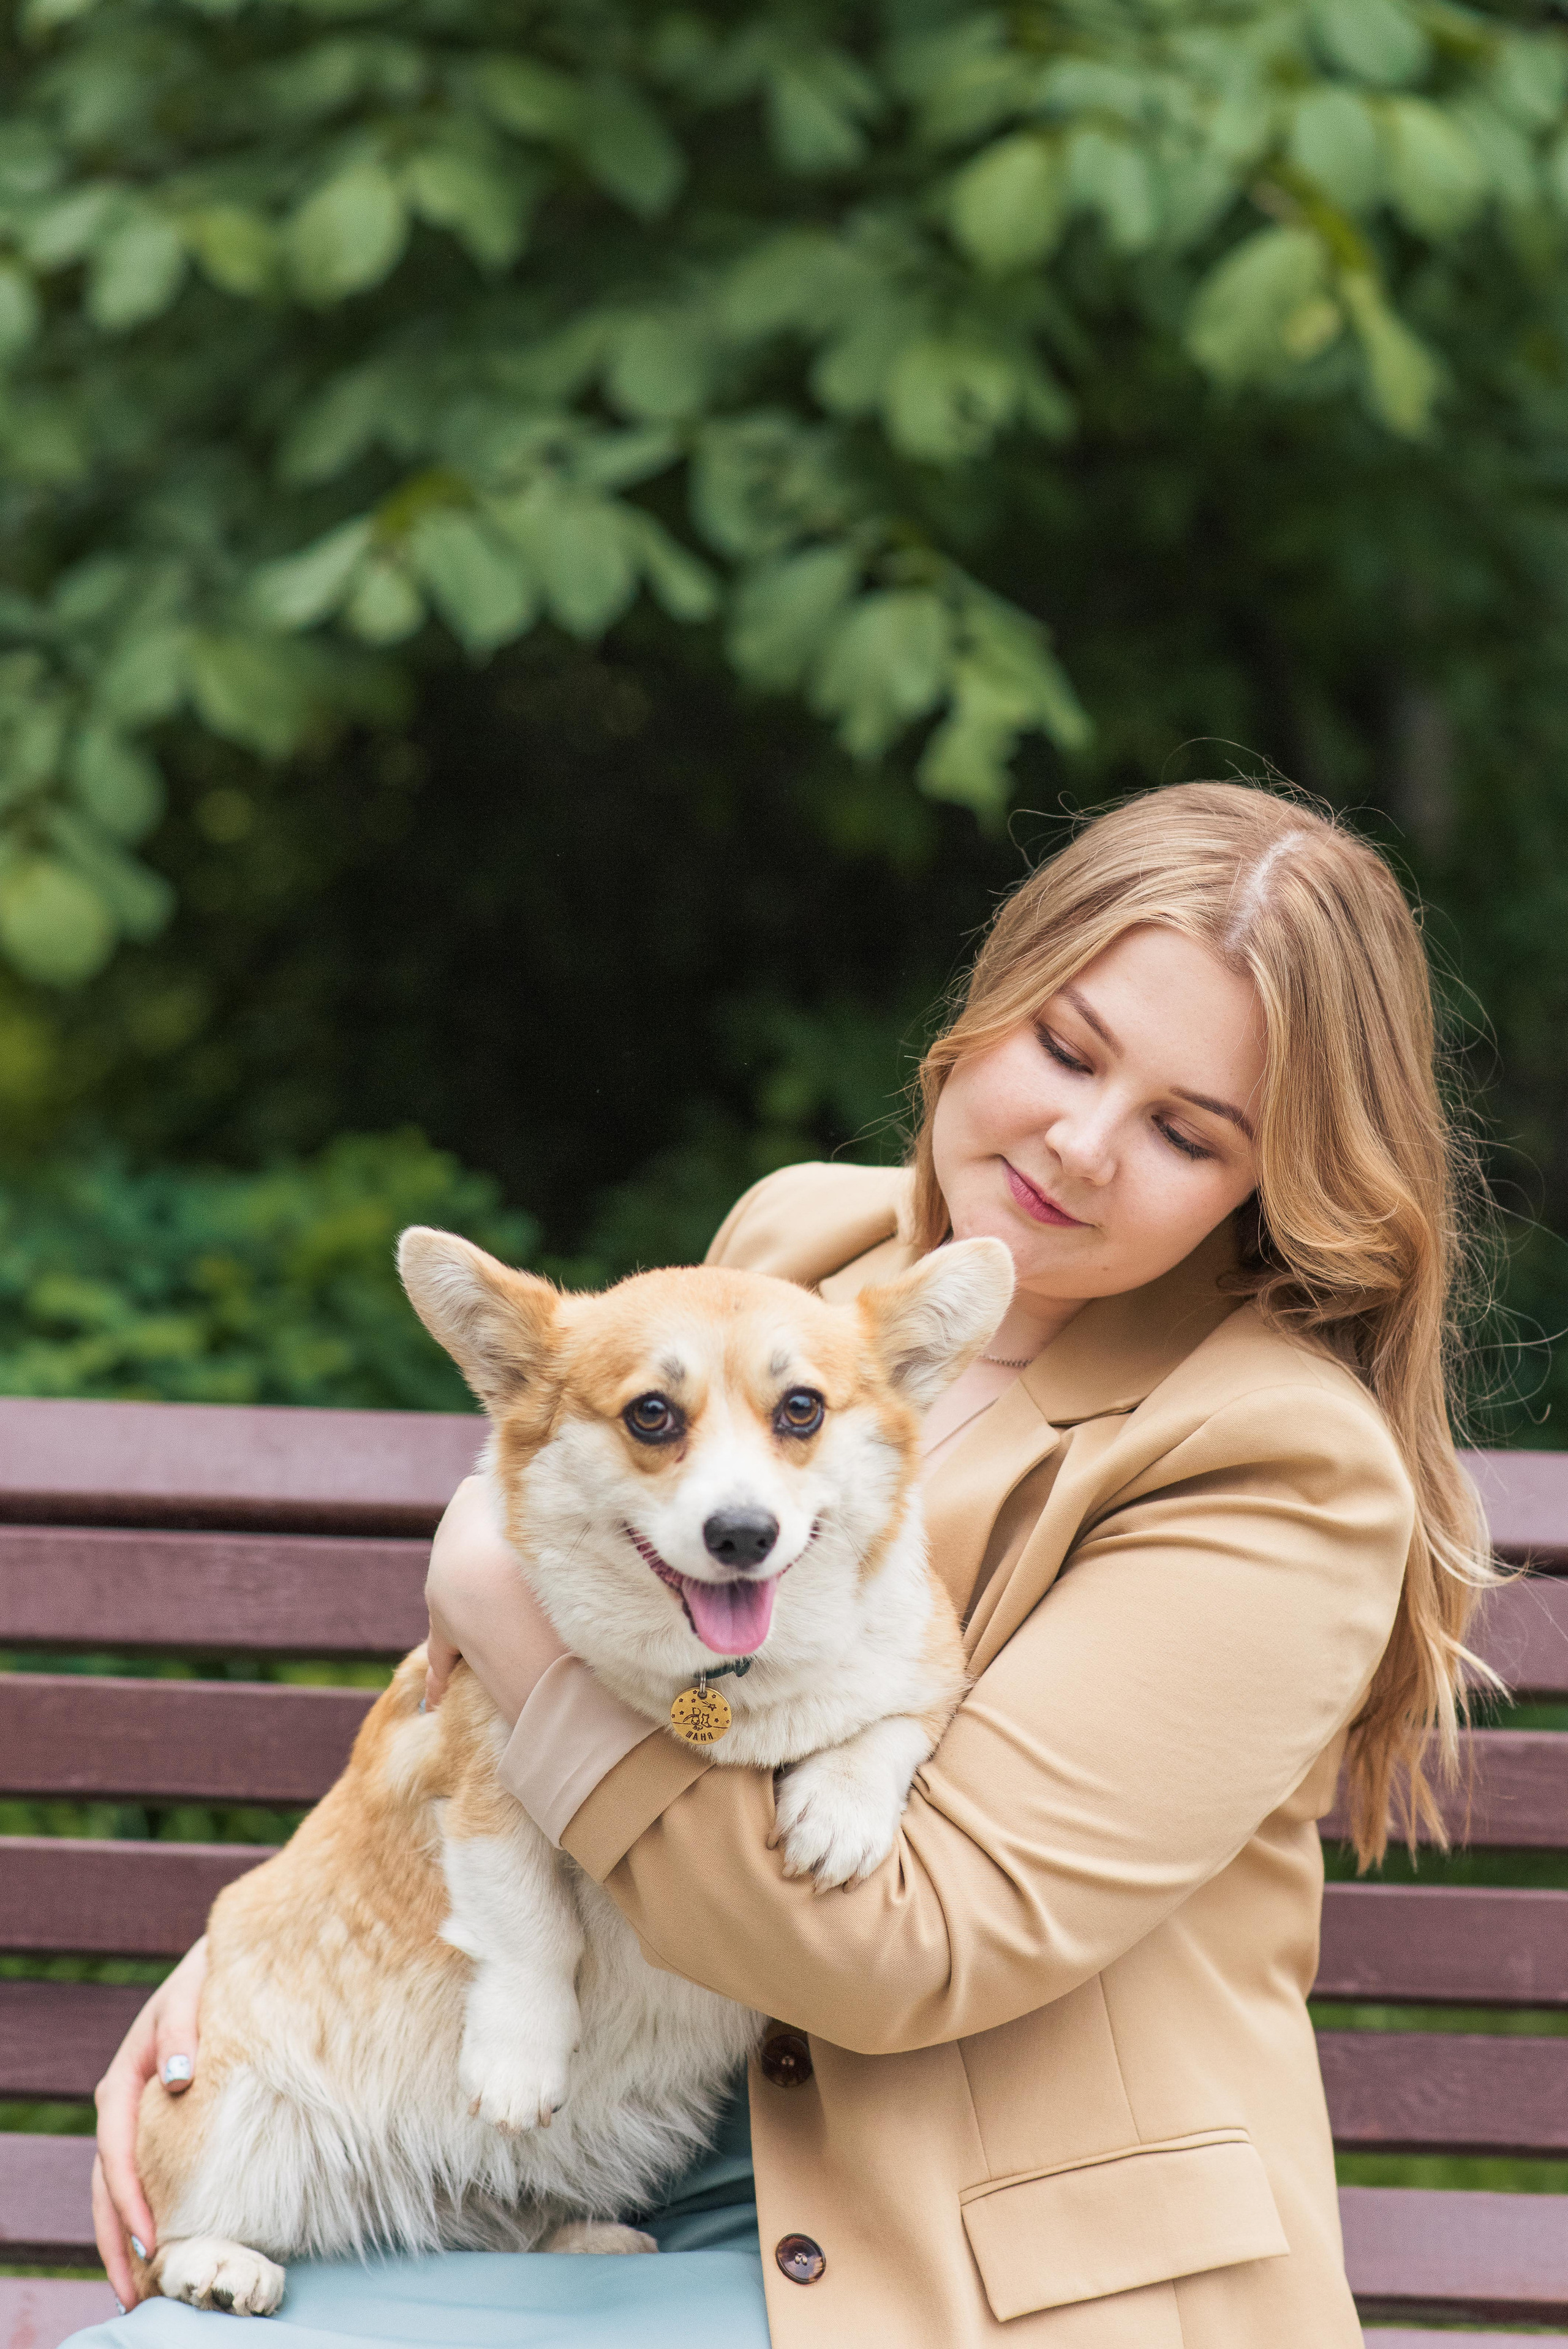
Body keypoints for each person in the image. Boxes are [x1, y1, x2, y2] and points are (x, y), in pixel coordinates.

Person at [86, 780, 1493, 2348]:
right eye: (1066, 1047)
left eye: (1182, 1130)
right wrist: (245, 1973)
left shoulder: (1279, 1460)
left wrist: (485, 1588)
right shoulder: (804, 1244)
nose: (1080, 1144)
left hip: (973, 2247)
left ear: (1269, 1184)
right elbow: (521, 1676)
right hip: (647, 2138)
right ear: (988, 1001)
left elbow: (902, 1945)